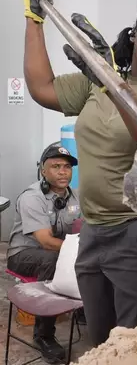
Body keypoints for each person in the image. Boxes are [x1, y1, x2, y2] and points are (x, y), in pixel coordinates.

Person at [22, 0, 137, 347]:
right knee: (101, 345)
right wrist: (33, 20)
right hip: (93, 233)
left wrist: (110, 84)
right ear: (136, 31)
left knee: (134, 349)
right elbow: (42, 87)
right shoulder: (98, 79)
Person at [6, 145, 81, 363]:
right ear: (43, 171)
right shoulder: (32, 197)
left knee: (99, 253)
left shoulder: (75, 197)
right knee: (55, 260)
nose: (63, 171)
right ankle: (44, 335)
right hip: (24, 254)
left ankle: (86, 309)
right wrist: (80, 249)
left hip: (58, 251)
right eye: (55, 166)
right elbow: (47, 242)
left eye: (67, 166)